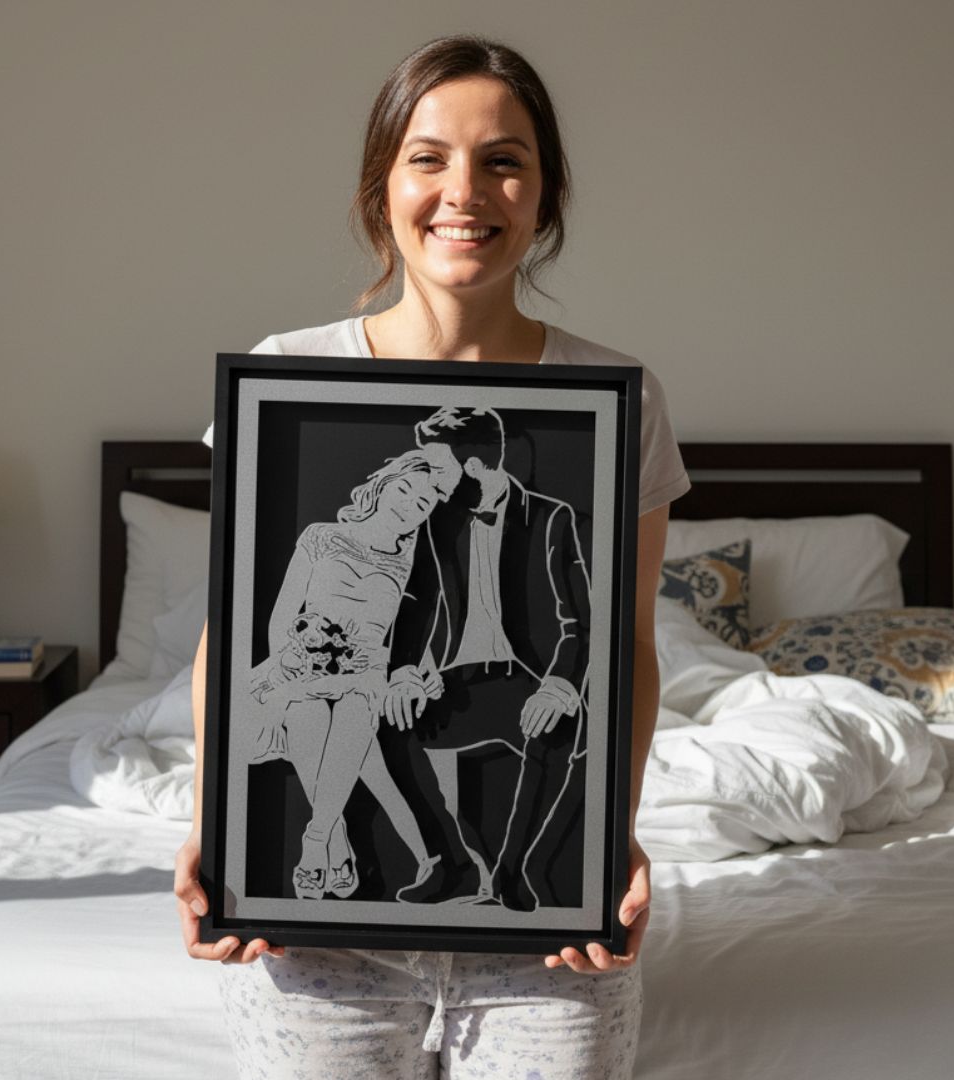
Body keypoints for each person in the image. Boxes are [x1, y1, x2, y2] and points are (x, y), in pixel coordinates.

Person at [176, 33, 691, 1078]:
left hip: (550, 945)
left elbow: (626, 646)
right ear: (382, 188)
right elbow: (230, 636)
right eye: (429, 158)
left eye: (504, 161)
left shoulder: (620, 400)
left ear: (546, 195)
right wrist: (218, 828)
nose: (466, 191)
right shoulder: (287, 380)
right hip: (316, 937)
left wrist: (611, 838)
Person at [378, 405, 592, 910]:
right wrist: (404, 671)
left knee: (563, 726)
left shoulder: (551, 518)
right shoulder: (438, 521)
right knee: (385, 722)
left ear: (474, 466)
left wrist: (558, 686)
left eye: (438, 467)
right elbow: (417, 602)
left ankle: (513, 878)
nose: (431, 480)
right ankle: (450, 865)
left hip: (529, 677)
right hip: (460, 681)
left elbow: (578, 622)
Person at [242, 450, 447, 901]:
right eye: (403, 489)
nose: (408, 504)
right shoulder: (321, 536)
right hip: (301, 662)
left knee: (356, 708)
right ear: (382, 485)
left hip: (366, 673)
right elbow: (282, 614)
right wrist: (291, 668)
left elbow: (413, 633)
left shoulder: (411, 563)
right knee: (308, 713)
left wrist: (423, 671)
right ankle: (335, 844)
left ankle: (316, 842)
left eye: (422, 503)